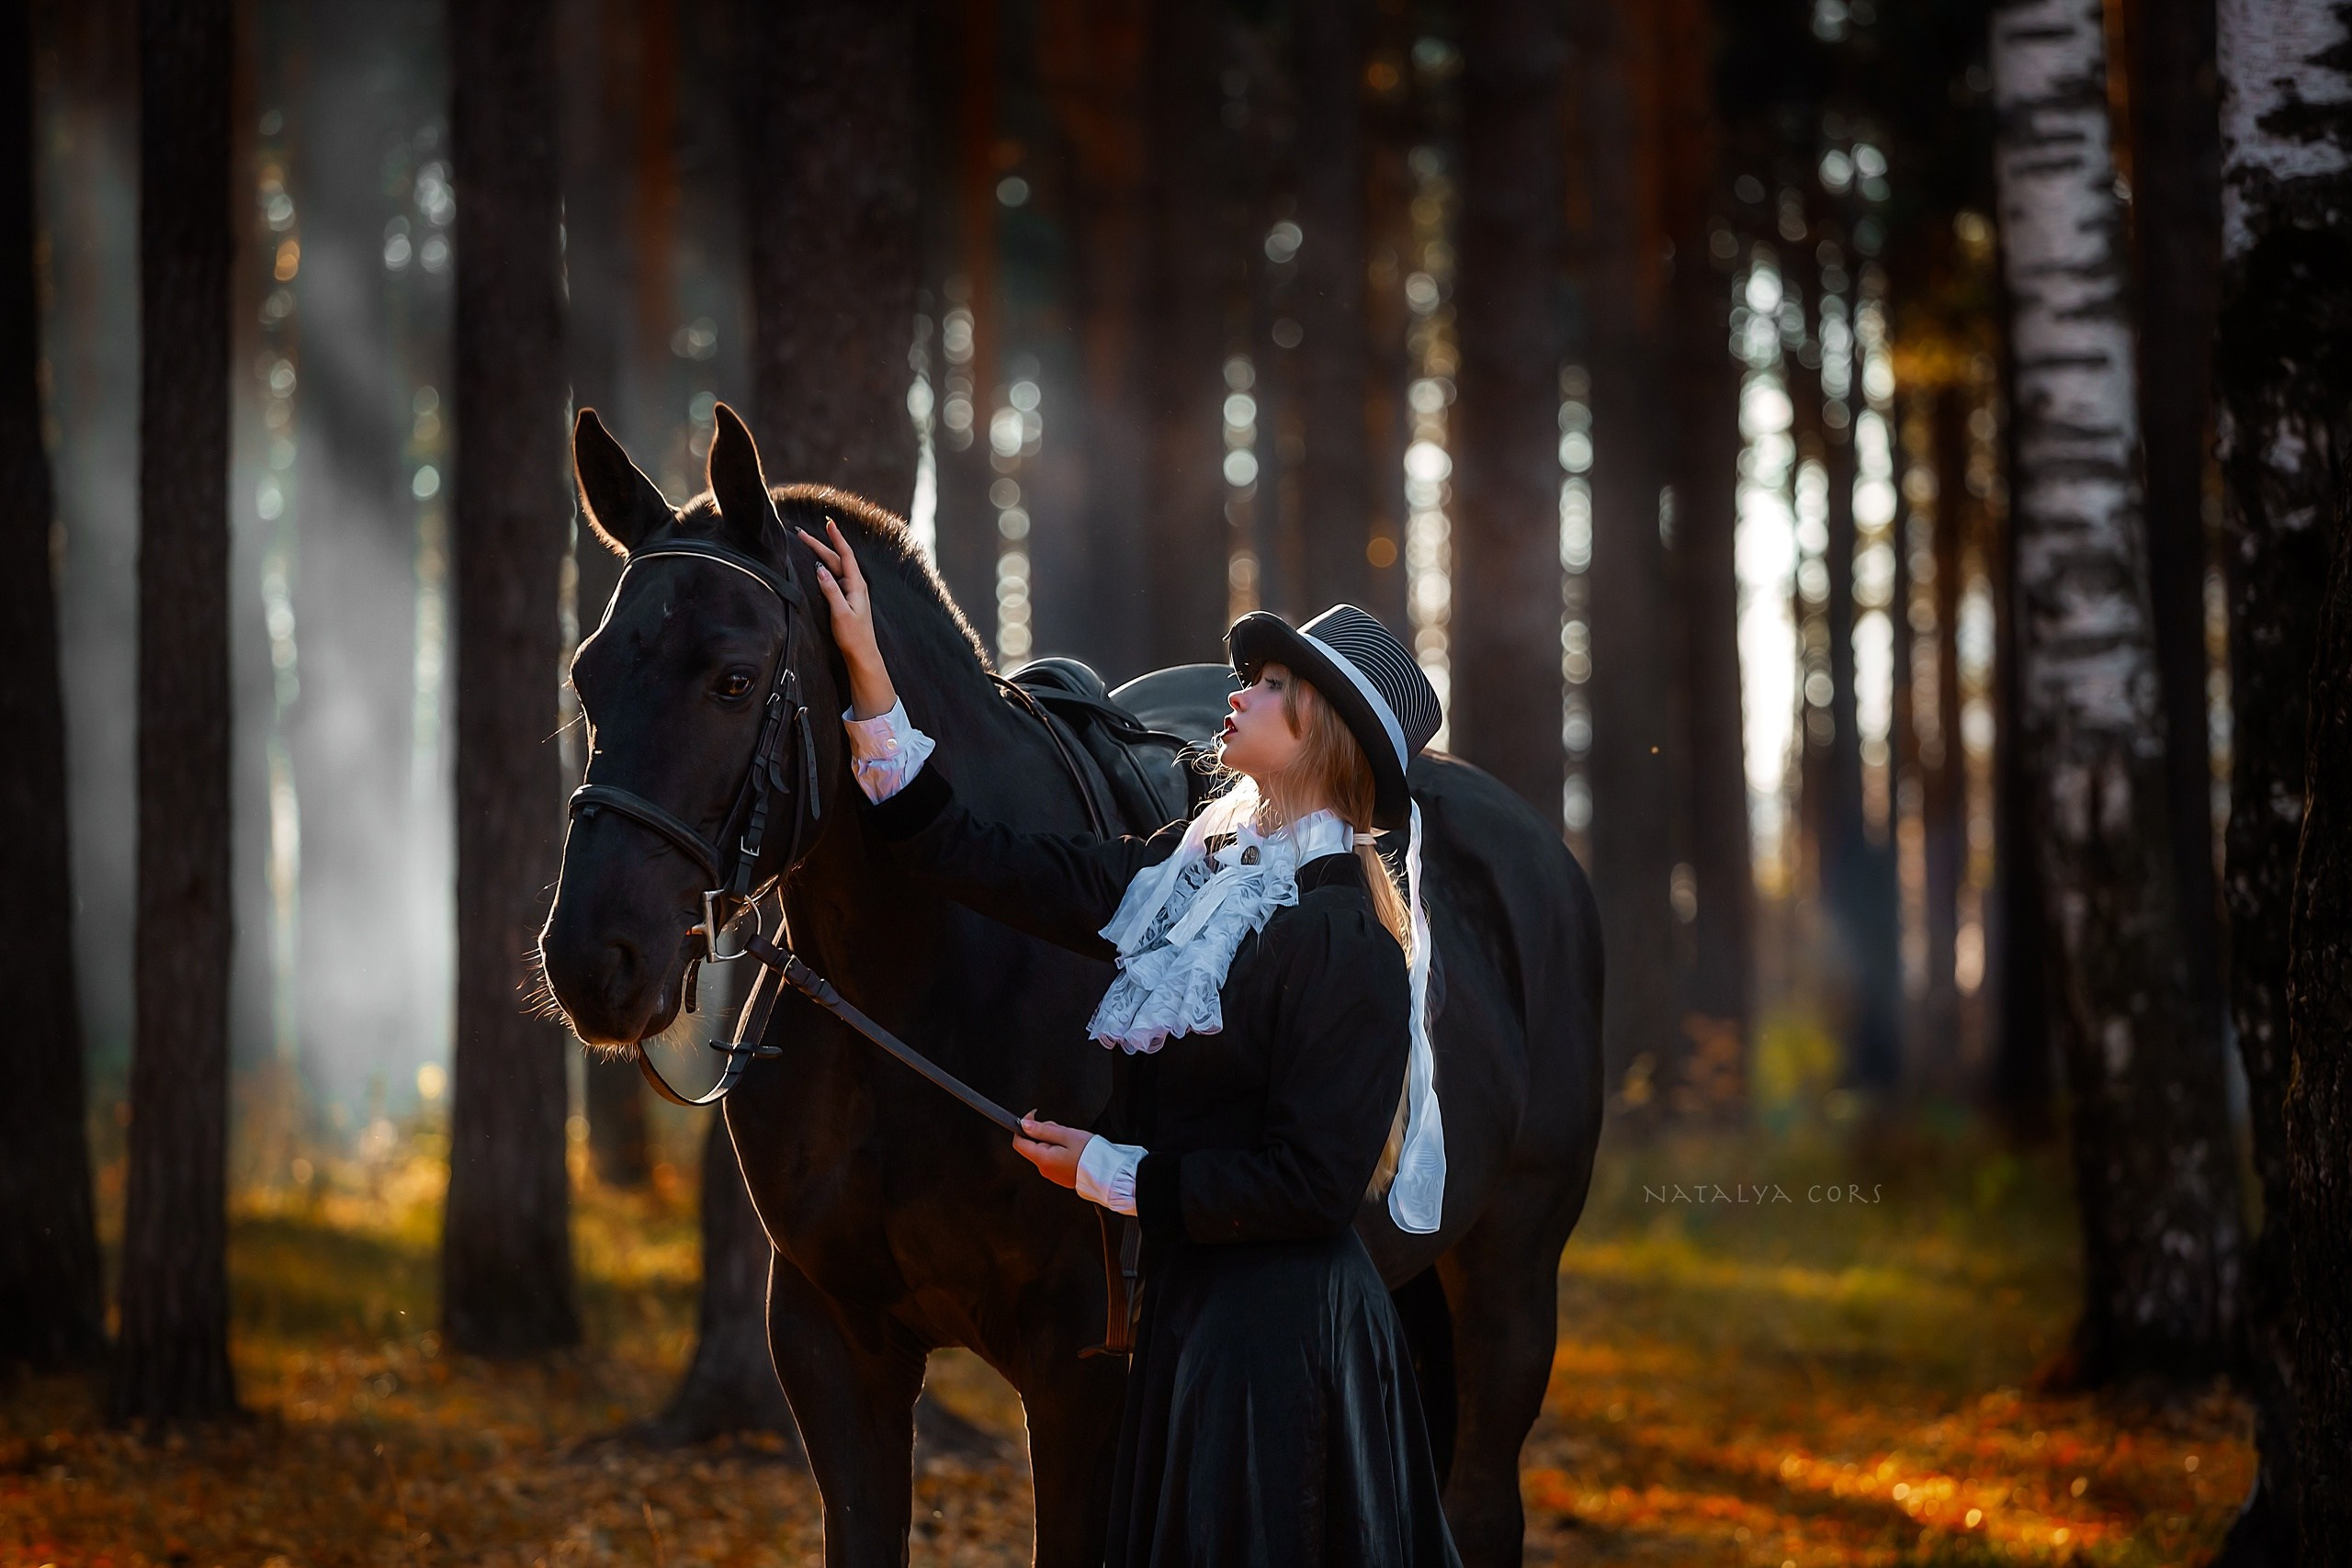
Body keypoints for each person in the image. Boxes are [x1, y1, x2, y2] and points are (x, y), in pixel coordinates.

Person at [797, 517, 1461, 1565]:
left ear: (1325, 733)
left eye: (1274, 683)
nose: (1237, 688)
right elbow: (971, 854)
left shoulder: (1345, 938)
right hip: (1192, 1323)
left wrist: (1113, 1174)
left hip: (1289, 1348)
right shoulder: (1185, 880)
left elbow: (1313, 1187)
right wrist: (869, 668)